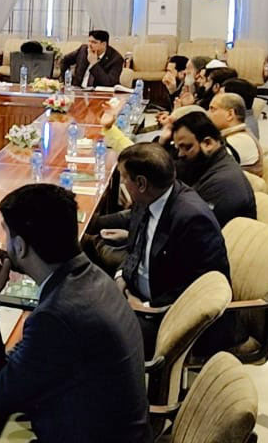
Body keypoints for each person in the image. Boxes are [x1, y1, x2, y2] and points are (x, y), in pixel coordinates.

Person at [0, 184, 150, 443]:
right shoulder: (92, 277)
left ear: (20, 246)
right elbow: (26, 360)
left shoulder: (56, 315)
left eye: (6, 233)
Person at [96, 143, 230, 354]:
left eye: (124, 178)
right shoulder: (150, 198)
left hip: (164, 315)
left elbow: (200, 287)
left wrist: (146, 307)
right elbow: (136, 250)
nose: (122, 184)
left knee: (93, 338)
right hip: (133, 293)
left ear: (141, 183)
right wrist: (122, 278)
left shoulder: (192, 219)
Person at [171, 111, 257, 226]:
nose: (180, 154)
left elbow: (194, 225)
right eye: (178, 148)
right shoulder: (205, 162)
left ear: (208, 143)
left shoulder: (223, 184)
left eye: (186, 147)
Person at [208, 92, 262, 174]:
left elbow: (207, 166)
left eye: (212, 109)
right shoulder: (238, 135)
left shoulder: (239, 140)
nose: (208, 114)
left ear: (230, 114)